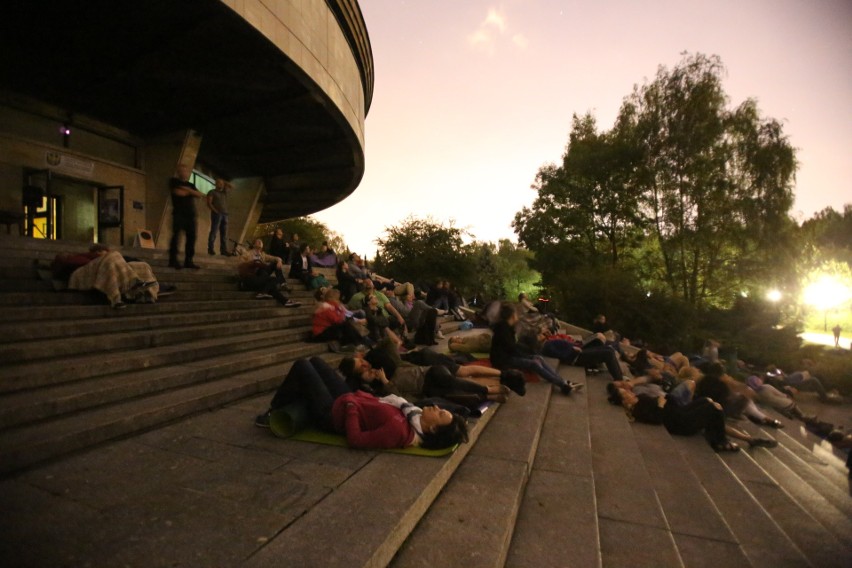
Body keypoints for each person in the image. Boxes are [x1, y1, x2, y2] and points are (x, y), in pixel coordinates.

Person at [255, 357, 469, 450]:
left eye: (440, 414)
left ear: (432, 429)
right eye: (441, 409)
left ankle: (273, 411)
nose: (437, 408)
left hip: (333, 414)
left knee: (303, 366)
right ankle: (300, 395)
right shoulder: (413, 413)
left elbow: (356, 440)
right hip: (351, 398)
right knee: (316, 362)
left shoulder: (399, 431)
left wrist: (350, 409)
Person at [607, 379, 777, 452]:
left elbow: (662, 401)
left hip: (679, 411)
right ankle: (722, 442)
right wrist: (660, 403)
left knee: (708, 401)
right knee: (714, 410)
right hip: (681, 423)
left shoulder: (640, 398)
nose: (629, 393)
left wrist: (663, 400)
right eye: (625, 394)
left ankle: (737, 440)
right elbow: (658, 418)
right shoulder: (637, 409)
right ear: (624, 401)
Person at [490, 302, 582, 395]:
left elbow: (514, 347)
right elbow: (511, 349)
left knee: (538, 358)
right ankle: (563, 385)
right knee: (534, 363)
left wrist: (530, 355)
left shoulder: (509, 327)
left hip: (510, 355)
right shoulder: (502, 329)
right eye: (516, 313)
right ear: (512, 315)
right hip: (503, 360)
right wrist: (527, 357)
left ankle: (563, 381)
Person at [59, 244, 159, 308]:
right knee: (113, 256)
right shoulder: (82, 258)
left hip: (107, 264)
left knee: (142, 266)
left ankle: (144, 294)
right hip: (91, 269)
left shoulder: (108, 257)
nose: (106, 253)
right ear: (97, 251)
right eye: (104, 251)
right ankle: (121, 292)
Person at [168, 164, 206, 269]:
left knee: (191, 238)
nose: (183, 173)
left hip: (191, 215)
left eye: (185, 171)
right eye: (181, 170)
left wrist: (187, 190)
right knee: (176, 237)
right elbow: (178, 193)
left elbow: (200, 195)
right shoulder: (174, 181)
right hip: (179, 214)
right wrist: (190, 192)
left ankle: (188, 261)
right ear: (178, 172)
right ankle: (173, 260)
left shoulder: (190, 184)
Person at [237, 238, 294, 306]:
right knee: (272, 281)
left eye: (261, 242)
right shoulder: (247, 253)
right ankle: (285, 301)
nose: (260, 242)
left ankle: (282, 288)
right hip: (253, 275)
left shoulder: (263, 255)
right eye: (258, 241)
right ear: (254, 244)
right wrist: (253, 264)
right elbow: (240, 265)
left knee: (273, 268)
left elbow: (274, 258)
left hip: (262, 275)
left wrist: (279, 261)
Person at [206, 178, 230, 255]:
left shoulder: (224, 192)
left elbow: (231, 186)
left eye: (222, 183)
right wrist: (215, 211)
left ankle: (223, 251)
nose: (221, 184)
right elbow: (209, 203)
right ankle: (210, 249)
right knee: (214, 231)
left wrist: (224, 182)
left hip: (225, 214)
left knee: (224, 234)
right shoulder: (212, 192)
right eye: (219, 183)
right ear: (215, 184)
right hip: (217, 214)